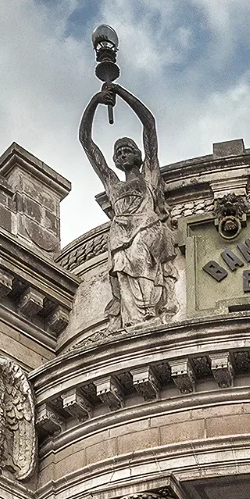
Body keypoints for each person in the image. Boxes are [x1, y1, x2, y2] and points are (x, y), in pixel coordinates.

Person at [78, 82, 175, 329]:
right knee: (123, 273)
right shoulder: (112, 184)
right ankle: (134, 321)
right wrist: (94, 102)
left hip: (146, 228)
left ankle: (149, 313)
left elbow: (149, 125)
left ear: (137, 154)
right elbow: (86, 142)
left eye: (126, 150)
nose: (121, 154)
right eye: (118, 152)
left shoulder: (149, 176)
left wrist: (120, 92)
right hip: (120, 234)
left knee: (142, 259)